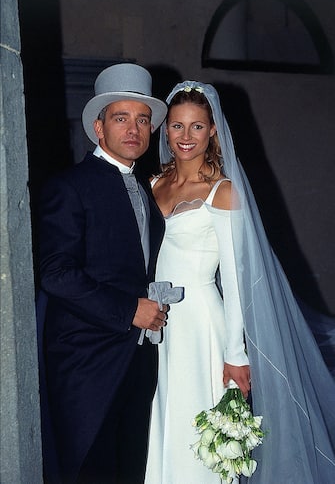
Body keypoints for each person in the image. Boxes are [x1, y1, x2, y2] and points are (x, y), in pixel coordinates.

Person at [144, 81, 335, 484]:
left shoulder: (223, 191)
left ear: (213, 130)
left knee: (195, 425)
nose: (186, 137)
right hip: (155, 322)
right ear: (166, 131)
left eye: (197, 127)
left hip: (200, 324)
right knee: (162, 420)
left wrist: (236, 353)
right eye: (177, 126)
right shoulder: (153, 185)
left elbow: (234, 281)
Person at [38, 63, 169, 484]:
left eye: (142, 119)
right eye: (120, 118)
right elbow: (56, 274)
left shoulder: (148, 190)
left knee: (132, 470)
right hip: (86, 363)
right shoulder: (69, 186)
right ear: (98, 127)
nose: (134, 129)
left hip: (140, 359)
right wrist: (128, 309)